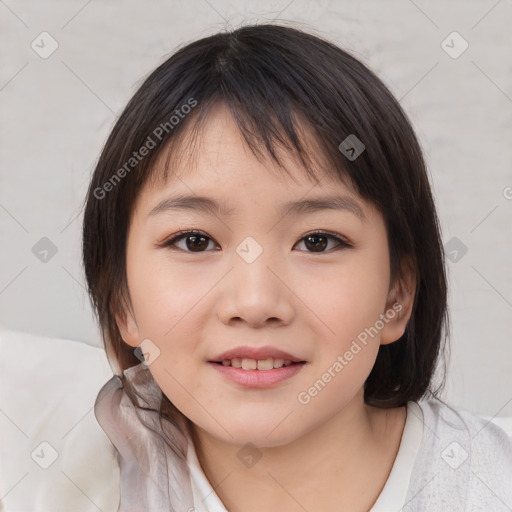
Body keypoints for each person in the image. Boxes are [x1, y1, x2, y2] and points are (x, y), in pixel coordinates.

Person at [81, 22, 512, 512]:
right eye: (195, 241)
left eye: (318, 241)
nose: (256, 303)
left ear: (397, 294)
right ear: (122, 302)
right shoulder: (50, 480)